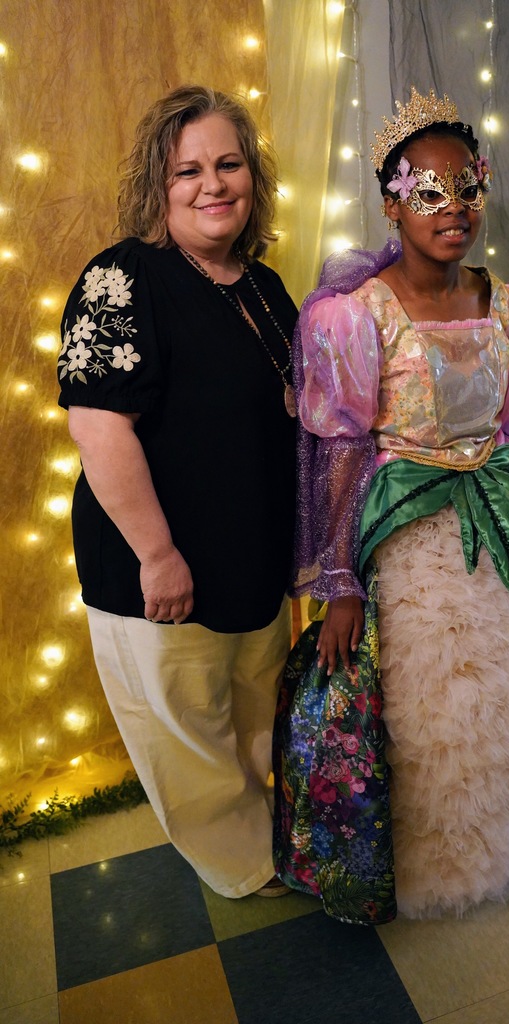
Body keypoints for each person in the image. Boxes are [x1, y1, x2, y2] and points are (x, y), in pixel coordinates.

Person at [273, 88, 509, 925]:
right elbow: (339, 456)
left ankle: (496, 845)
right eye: (428, 191)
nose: (452, 208)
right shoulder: (354, 317)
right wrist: (341, 582)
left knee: (507, 698)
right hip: (408, 540)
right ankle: (426, 863)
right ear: (391, 201)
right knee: (424, 710)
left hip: (504, 531)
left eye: (467, 186)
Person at [58, 85, 297, 898]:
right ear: (157, 188)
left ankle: (277, 833)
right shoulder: (122, 279)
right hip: (162, 571)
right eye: (187, 170)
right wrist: (157, 556)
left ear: (252, 176)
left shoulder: (262, 287)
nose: (213, 184)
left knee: (253, 718)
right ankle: (243, 869)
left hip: (252, 562)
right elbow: (98, 429)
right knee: (189, 735)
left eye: (228, 163)